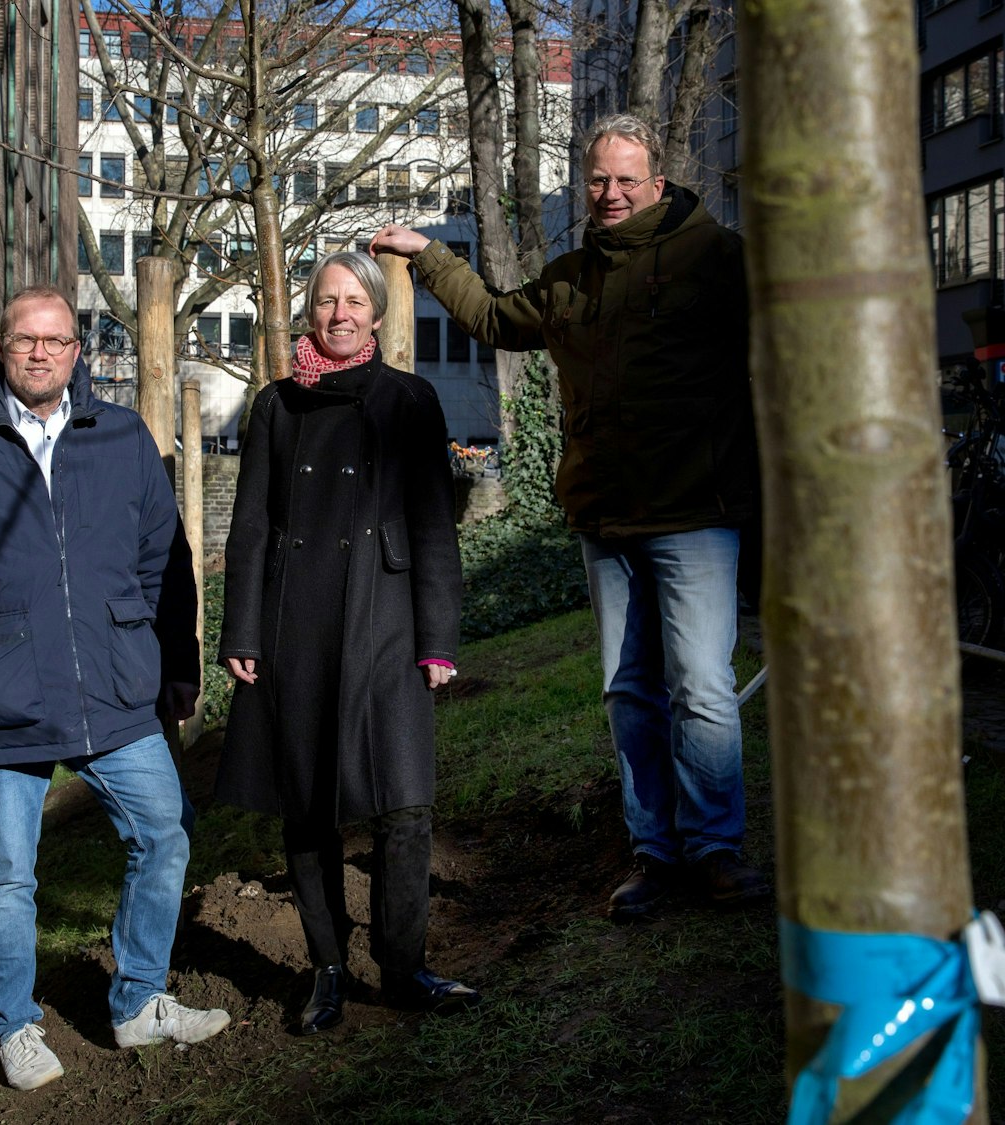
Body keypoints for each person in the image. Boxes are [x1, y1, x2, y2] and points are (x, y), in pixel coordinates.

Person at [369, 112, 768, 920]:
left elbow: (787, 343)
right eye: (598, 179)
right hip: (606, 518)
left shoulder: (716, 257)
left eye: (627, 179)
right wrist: (432, 255)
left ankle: (717, 850)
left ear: (657, 180)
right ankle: (654, 850)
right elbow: (495, 318)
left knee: (701, 686)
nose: (611, 192)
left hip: (696, 512)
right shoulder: (573, 275)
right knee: (629, 690)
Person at [0, 284, 228, 1092]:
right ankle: (14, 1025)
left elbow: (166, 561)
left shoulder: (121, 437)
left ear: (80, 350)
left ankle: (139, 997)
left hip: (114, 688)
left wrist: (178, 667)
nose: (41, 352)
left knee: (166, 830)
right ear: (1, 349)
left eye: (57, 339)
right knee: (8, 870)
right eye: (25, 339)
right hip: (1, 688)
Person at [216, 251, 481, 1035]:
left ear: (375, 311)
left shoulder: (410, 398)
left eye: (353, 300)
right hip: (297, 620)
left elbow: (435, 524)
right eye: (326, 300)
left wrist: (438, 636)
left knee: (404, 804)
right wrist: (241, 628)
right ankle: (328, 968)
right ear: (310, 311)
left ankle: (403, 967)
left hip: (388, 617)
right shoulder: (276, 406)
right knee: (308, 807)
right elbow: (252, 526)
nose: (339, 313)